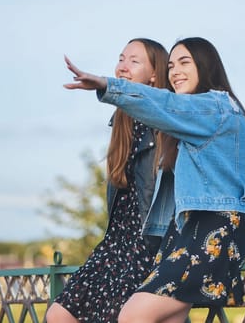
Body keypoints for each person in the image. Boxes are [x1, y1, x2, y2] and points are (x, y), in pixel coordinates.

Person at [63, 37, 245, 323]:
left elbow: (164, 103)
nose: (175, 71)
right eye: (171, 65)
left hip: (212, 230)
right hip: (187, 229)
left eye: (184, 63)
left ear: (206, 66)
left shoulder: (214, 106)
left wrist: (108, 85)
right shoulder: (199, 114)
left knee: (133, 315)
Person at [46, 38, 169, 323]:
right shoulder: (121, 121)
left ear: (154, 74)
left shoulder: (164, 118)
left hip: (147, 245)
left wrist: (104, 86)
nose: (123, 66)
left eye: (134, 61)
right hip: (115, 244)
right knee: (59, 315)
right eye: (121, 58)